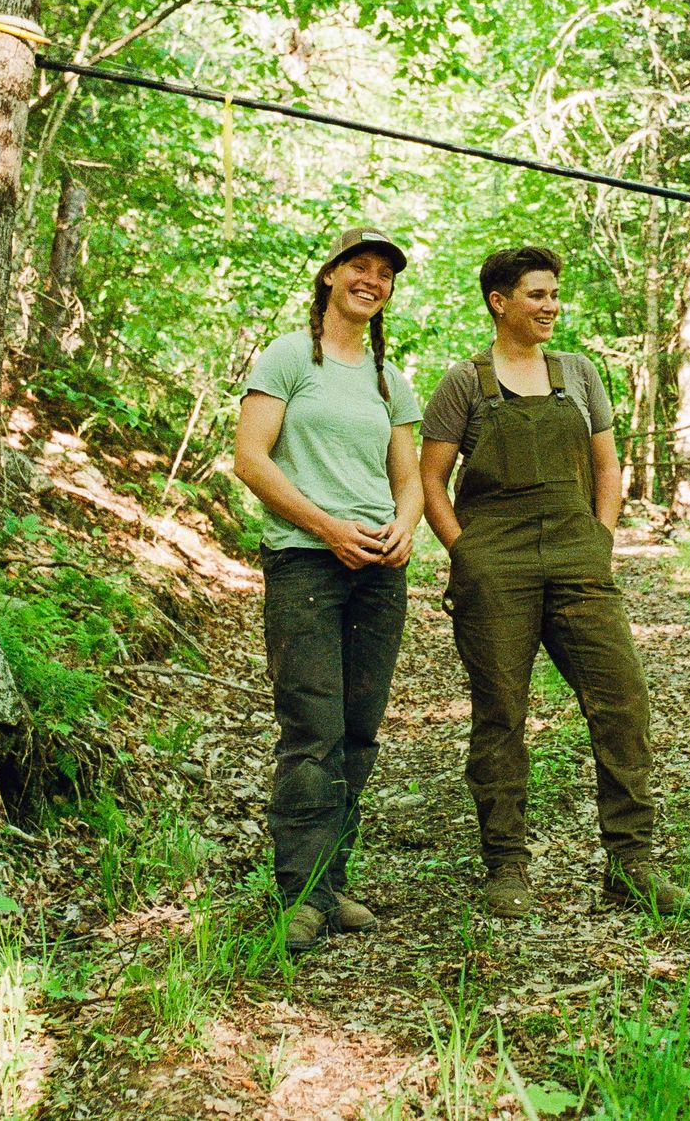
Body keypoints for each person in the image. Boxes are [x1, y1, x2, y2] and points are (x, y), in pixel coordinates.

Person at [419, 246, 684, 919]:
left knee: (622, 701)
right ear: (498, 301)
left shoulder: (579, 374)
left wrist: (600, 540)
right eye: (536, 294)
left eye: (554, 293)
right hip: (495, 567)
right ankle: (506, 866)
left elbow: (607, 467)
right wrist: (466, 552)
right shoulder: (463, 383)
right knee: (503, 715)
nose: (550, 306)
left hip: (577, 560)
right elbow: (430, 480)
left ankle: (631, 862)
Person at [234, 227, 423, 952]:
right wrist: (327, 526)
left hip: (379, 571)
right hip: (306, 564)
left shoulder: (389, 380)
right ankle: (302, 897)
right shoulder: (288, 356)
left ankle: (331, 881)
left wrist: (404, 529)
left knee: (357, 731)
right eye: (358, 267)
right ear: (330, 276)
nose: (371, 280)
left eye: (384, 273)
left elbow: (406, 478)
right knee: (311, 729)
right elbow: (251, 458)